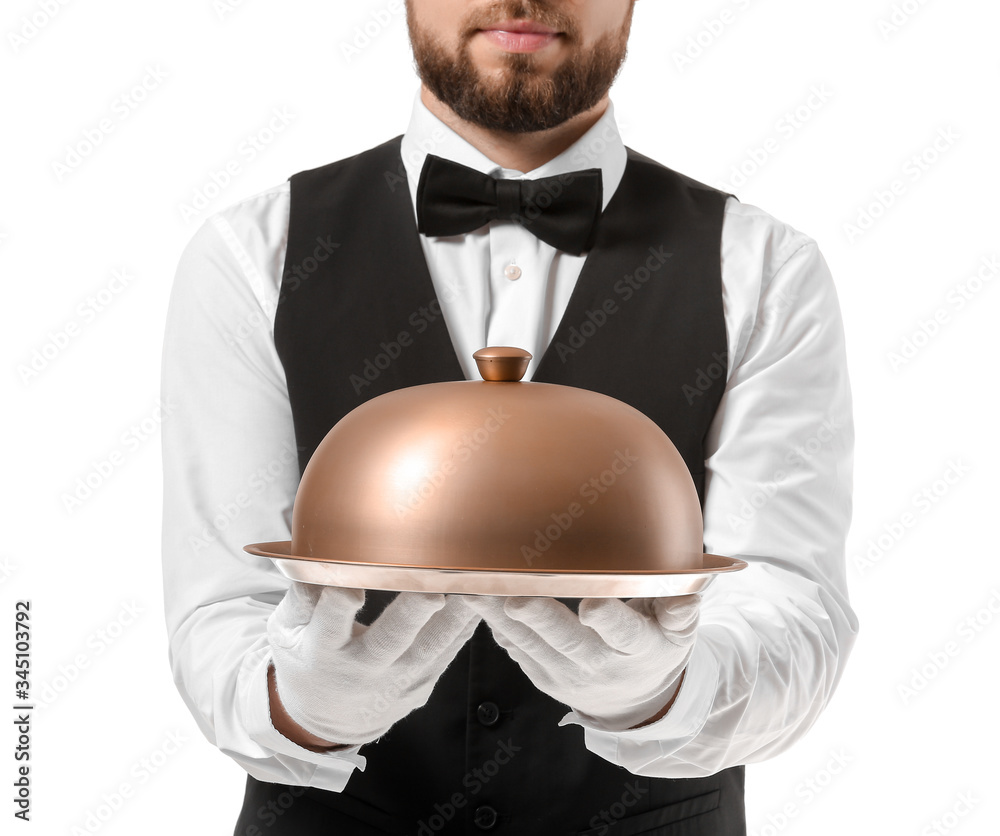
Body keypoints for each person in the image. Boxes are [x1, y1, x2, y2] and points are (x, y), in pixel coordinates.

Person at [161, 1, 858, 834]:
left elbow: (794, 605)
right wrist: (305, 704)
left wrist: (663, 692)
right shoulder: (252, 254)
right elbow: (218, 610)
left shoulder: (765, 269)